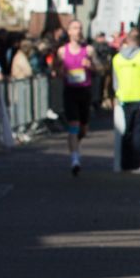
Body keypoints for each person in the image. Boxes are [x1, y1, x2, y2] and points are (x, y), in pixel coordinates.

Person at [54, 19, 100, 175]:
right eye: (74, 28)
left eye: (80, 28)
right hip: (70, 91)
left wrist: (91, 66)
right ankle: (74, 160)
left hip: (85, 91)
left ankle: (75, 145)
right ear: (69, 32)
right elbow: (55, 70)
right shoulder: (62, 51)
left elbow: (100, 68)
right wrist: (60, 71)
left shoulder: (89, 50)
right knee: (73, 124)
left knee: (83, 128)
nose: (78, 31)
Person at [112, 28, 140, 171]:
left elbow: (115, 81)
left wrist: (117, 95)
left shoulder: (117, 58)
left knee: (127, 132)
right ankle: (136, 164)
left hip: (125, 98)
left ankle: (125, 163)